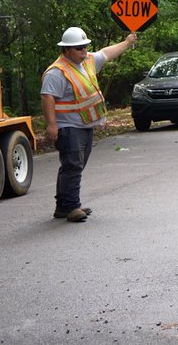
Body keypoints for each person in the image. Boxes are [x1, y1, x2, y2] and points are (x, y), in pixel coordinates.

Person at [42, 26, 137, 222]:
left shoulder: (87, 62)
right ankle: (72, 207)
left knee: (73, 166)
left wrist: (127, 42)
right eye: (79, 48)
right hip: (68, 128)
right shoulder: (57, 72)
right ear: (66, 50)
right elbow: (47, 97)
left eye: (85, 47)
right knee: (73, 166)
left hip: (85, 126)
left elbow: (106, 53)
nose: (84, 51)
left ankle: (63, 205)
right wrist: (51, 125)